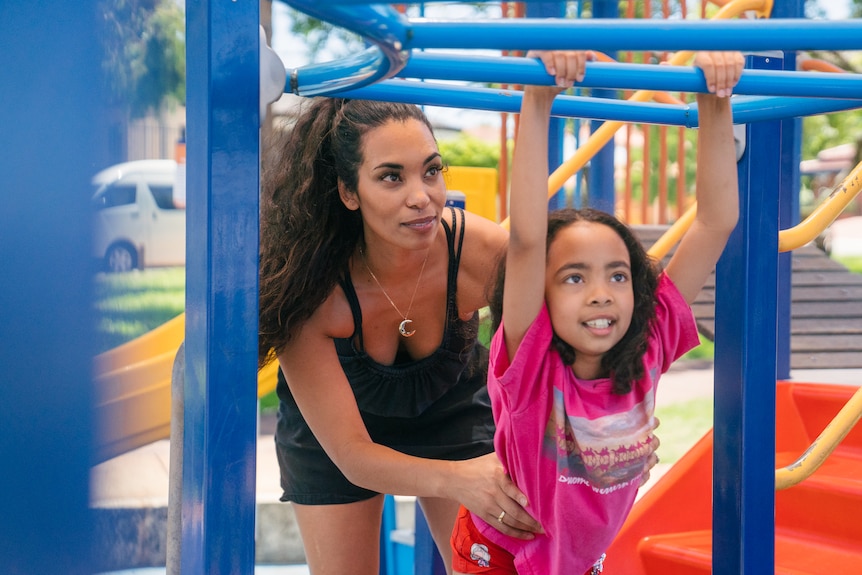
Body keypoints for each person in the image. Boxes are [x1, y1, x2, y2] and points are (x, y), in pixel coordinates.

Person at [450, 50, 744, 575]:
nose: (601, 292)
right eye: (573, 277)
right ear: (540, 295)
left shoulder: (649, 343)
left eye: (617, 274)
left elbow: (716, 222)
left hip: (577, 556)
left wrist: (714, 101)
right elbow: (524, 241)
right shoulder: (533, 363)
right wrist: (538, 101)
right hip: (503, 553)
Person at [258, 97, 544, 574]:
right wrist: (457, 480)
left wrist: (611, 429)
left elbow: (574, 333)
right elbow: (352, 455)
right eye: (392, 177)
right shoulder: (306, 289)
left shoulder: (474, 251)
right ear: (349, 192)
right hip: (337, 438)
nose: (422, 196)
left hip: (451, 410)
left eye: (431, 171)